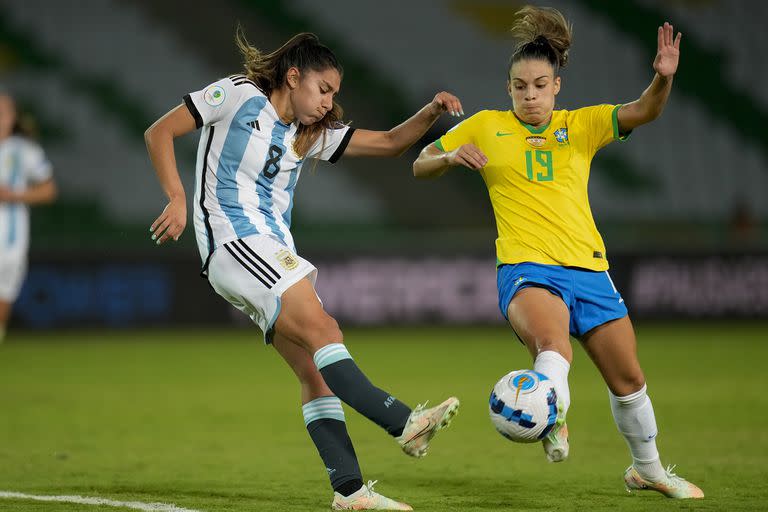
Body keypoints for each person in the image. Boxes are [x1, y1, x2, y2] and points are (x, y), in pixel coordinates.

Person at [144, 30, 461, 511]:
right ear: (293, 76)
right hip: (236, 242)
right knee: (325, 329)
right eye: (324, 88)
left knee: (314, 371)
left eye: (335, 92)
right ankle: (402, 422)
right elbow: (159, 131)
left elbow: (393, 143)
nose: (329, 100)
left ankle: (350, 492)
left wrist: (432, 110)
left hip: (269, 251)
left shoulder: (307, 135)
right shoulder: (237, 94)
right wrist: (177, 196)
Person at [413, 5, 703, 500]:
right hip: (526, 267)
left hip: (589, 269)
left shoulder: (581, 125)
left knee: (630, 381)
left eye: (540, 85)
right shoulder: (485, 126)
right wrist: (447, 155)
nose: (530, 95)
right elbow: (420, 164)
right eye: (521, 86)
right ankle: (551, 416)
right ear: (508, 89)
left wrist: (663, 80)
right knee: (554, 348)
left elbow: (646, 110)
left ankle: (646, 469)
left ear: (556, 86)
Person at [0, 93, 57, 343]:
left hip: (10, 241)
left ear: (12, 117)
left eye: (3, 112)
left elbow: (48, 189)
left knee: (4, 295)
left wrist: (13, 195)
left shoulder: (24, 151)